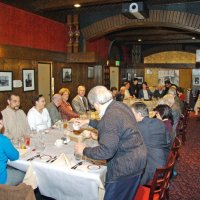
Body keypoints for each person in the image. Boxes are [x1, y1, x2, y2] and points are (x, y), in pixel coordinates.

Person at [74, 86, 147, 200]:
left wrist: (84, 150)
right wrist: (88, 121)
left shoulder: (109, 117)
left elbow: (106, 151)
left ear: (96, 103)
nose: (95, 108)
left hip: (125, 167)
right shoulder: (119, 105)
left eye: (93, 106)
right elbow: (114, 126)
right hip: (138, 158)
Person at [131, 102, 170, 185]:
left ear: (138, 114)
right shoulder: (159, 122)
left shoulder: (138, 127)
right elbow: (168, 141)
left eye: (132, 113)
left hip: (153, 171)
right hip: (165, 162)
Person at [0, 111, 25, 186]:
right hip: (2, 181)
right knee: (26, 173)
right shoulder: (3, 140)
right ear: (1, 122)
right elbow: (15, 156)